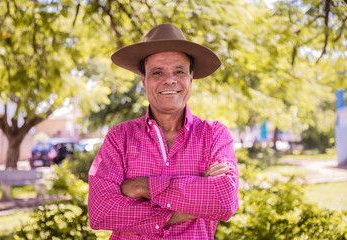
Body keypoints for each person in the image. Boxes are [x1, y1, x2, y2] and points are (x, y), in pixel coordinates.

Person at [88, 23, 239, 240]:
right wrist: (195, 199)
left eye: (179, 71)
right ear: (144, 80)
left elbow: (224, 201)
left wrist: (142, 187)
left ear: (191, 77)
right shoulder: (120, 137)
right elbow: (101, 212)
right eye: (157, 72)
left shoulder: (214, 134)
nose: (169, 80)